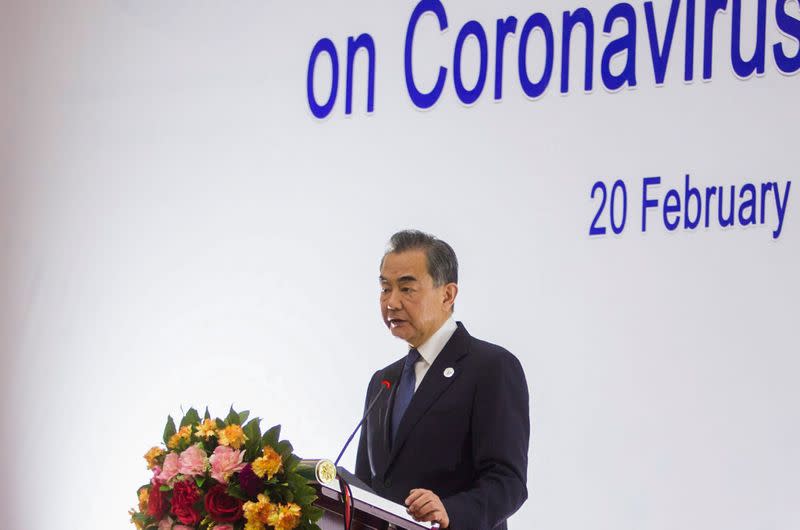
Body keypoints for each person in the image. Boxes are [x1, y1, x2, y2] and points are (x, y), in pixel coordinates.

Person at [355, 230, 530, 530]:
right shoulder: (382, 382)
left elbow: (507, 482)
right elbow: (363, 487)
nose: (391, 302)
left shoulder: (491, 367)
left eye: (407, 289)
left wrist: (450, 511)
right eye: (385, 288)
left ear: (447, 295)